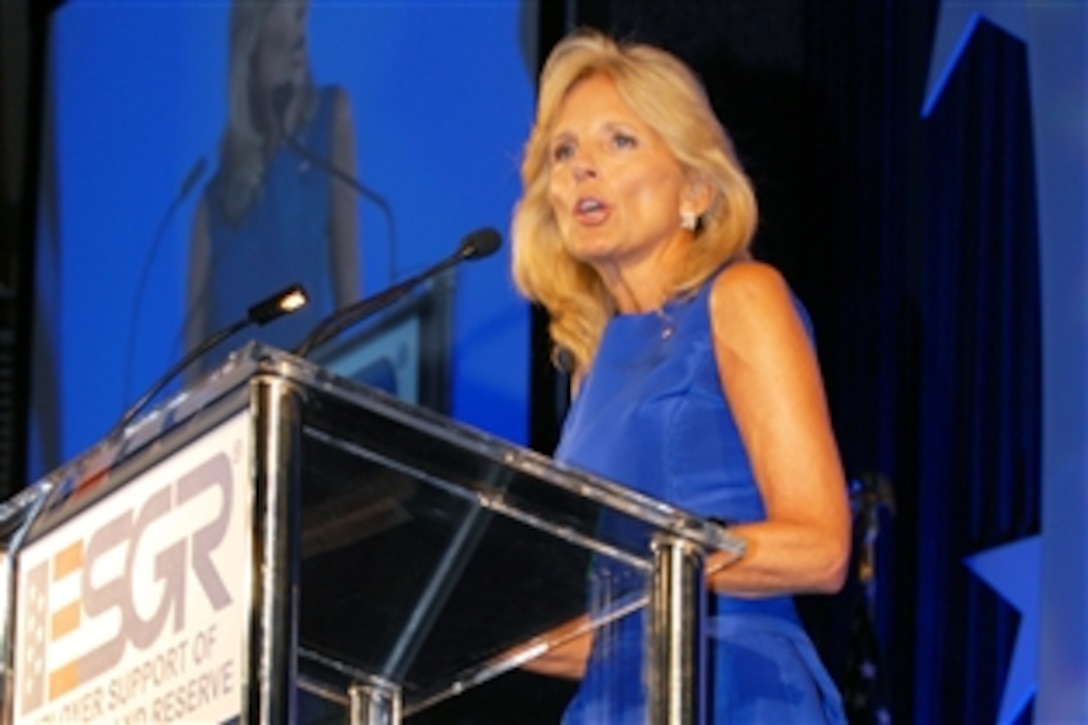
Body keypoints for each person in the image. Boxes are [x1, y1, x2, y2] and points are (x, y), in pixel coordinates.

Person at [511, 29, 851, 722]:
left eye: (619, 141)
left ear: (695, 185)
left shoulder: (742, 297)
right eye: (564, 151)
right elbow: (610, 622)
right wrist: (491, 633)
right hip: (617, 699)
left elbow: (821, 547)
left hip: (733, 686)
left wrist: (658, 567)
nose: (582, 169)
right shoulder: (591, 368)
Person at [185, 0, 360, 375]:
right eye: (281, 45)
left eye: (302, 23)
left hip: (307, 403)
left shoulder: (331, 121)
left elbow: (352, 307)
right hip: (233, 420)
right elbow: (191, 377)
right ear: (249, 55)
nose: (297, 43)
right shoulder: (211, 209)